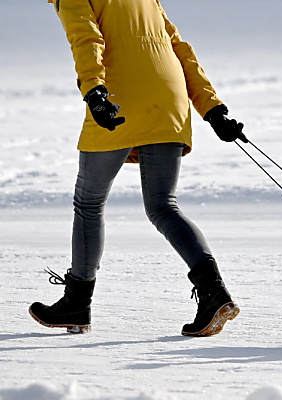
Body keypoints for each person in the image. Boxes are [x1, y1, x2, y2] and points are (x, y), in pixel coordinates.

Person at [29, 0, 247, 336]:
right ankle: (213, 292)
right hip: (168, 96)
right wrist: (212, 109)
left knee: (88, 203)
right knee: (163, 206)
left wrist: (94, 91)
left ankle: (76, 303)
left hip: (122, 94)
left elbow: (85, 37)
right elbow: (178, 46)